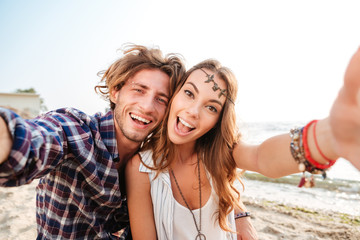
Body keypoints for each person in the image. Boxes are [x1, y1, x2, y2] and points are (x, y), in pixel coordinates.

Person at [125, 46, 360, 240]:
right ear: (174, 94)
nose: (193, 111)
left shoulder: (222, 154)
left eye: (211, 107)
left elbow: (262, 157)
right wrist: (241, 214)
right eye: (189, 93)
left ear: (218, 120)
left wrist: (327, 138)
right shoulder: (141, 168)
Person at [0, 44, 186, 239]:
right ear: (115, 91)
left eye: (161, 99)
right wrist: (7, 138)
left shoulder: (150, 165)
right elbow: (34, 140)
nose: (147, 106)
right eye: (139, 90)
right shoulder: (77, 131)